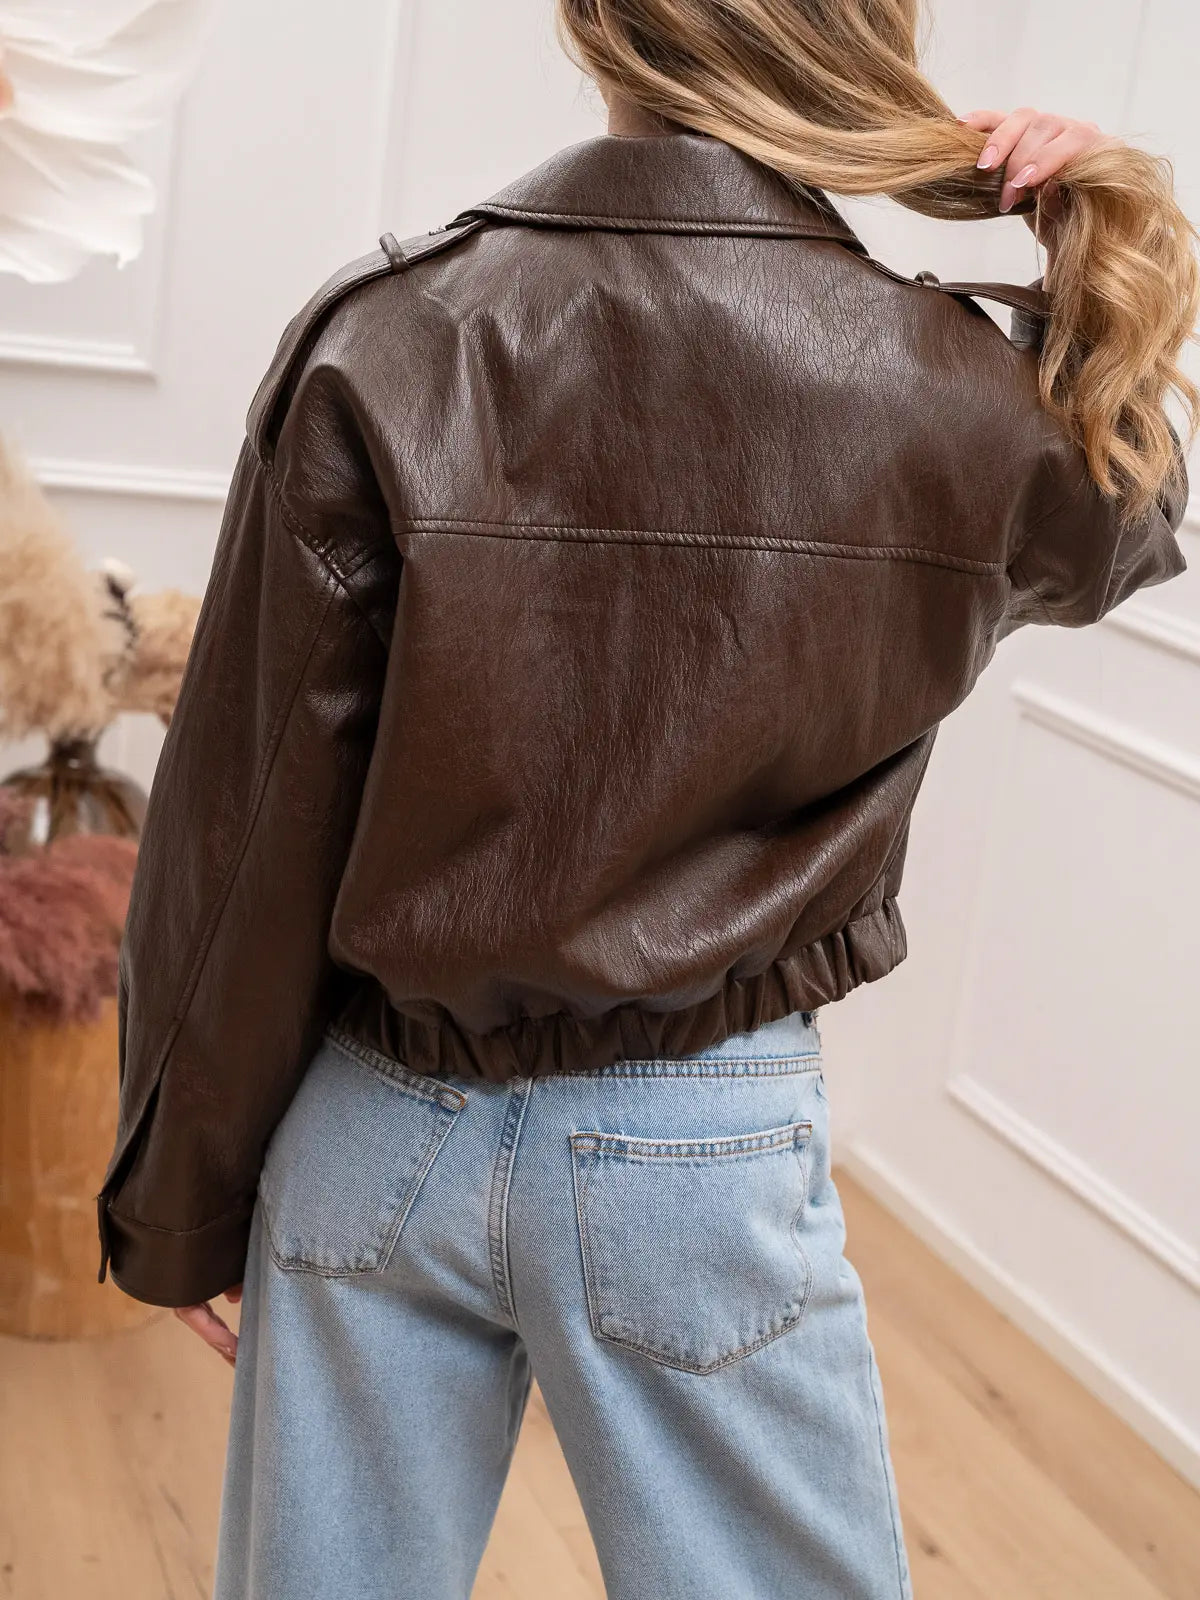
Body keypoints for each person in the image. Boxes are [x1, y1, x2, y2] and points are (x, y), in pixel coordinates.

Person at [97, 2, 1196, 1596]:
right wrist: (1096, 233)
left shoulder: (388, 335)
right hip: (700, 1158)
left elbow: (244, 827)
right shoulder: (959, 388)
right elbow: (1136, 513)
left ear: (597, 23)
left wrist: (181, 1198)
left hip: (376, 1126)